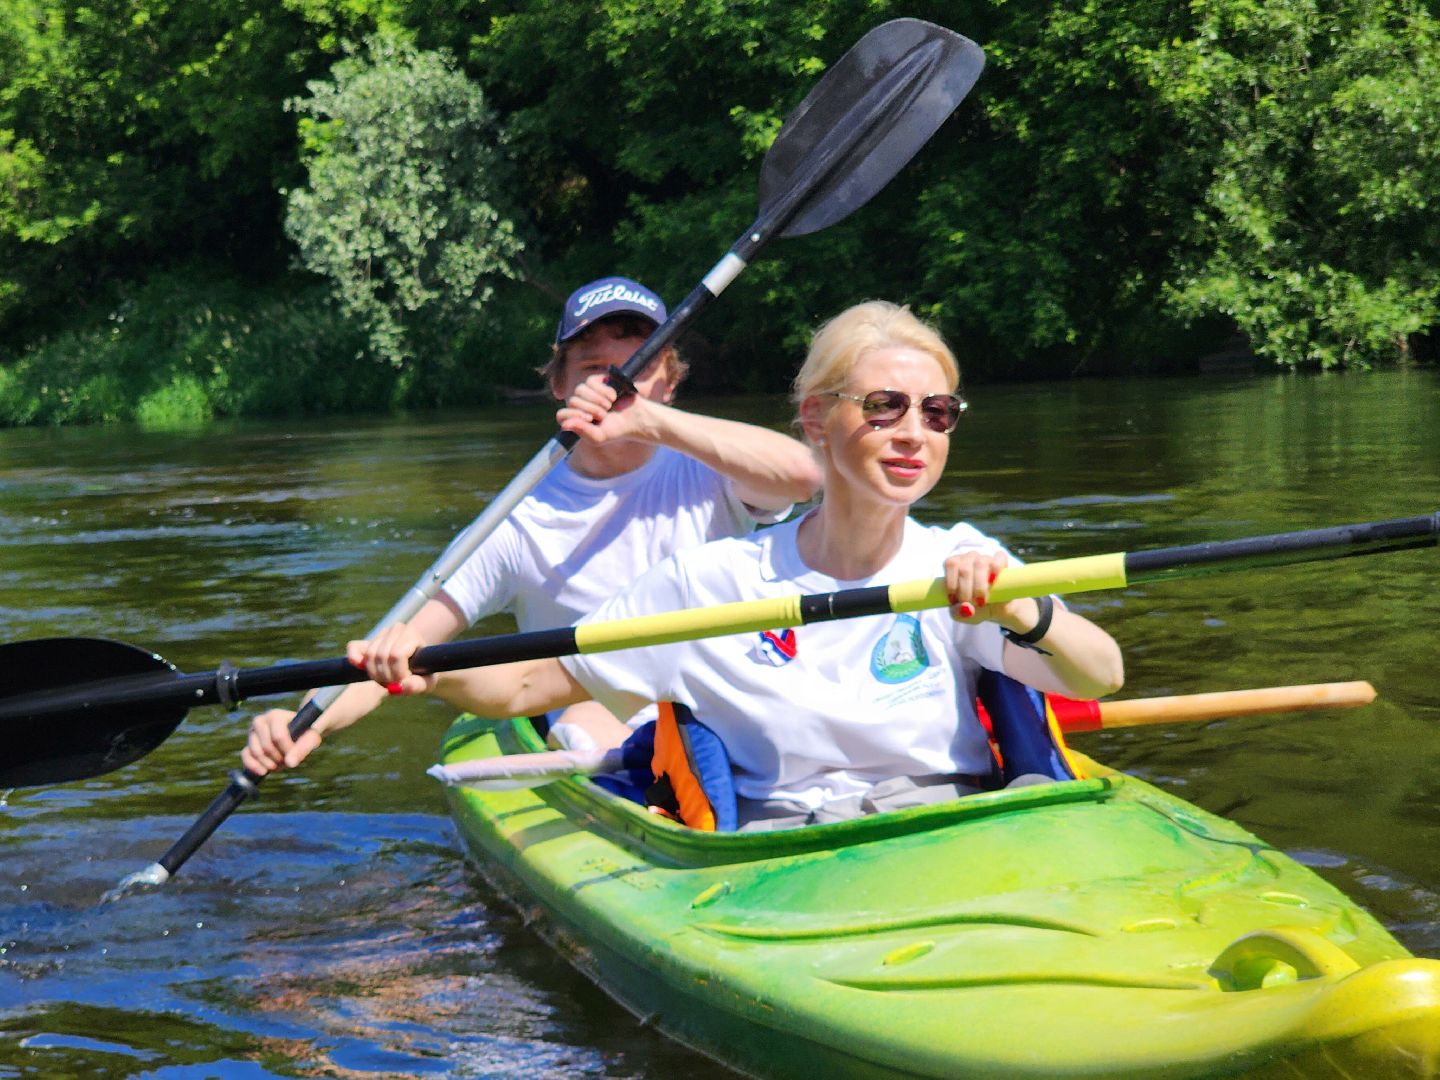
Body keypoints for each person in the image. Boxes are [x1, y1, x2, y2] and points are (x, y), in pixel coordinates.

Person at [349, 300, 1124, 830]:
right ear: (818, 418)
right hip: (782, 856)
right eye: (884, 406)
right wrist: (427, 669)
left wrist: (1023, 611)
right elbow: (523, 684)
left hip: (953, 827)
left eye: (937, 412)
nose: (913, 432)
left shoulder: (962, 558)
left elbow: (1100, 675)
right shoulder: (708, 585)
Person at [241, 275, 822, 778]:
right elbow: (397, 646)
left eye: (637, 367)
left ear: (668, 384)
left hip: (728, 711)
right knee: (586, 717)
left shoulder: (715, 469)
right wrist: (305, 723)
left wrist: (648, 422)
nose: (616, 382)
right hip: (591, 722)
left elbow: (805, 478)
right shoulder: (515, 520)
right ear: (560, 386)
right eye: (595, 367)